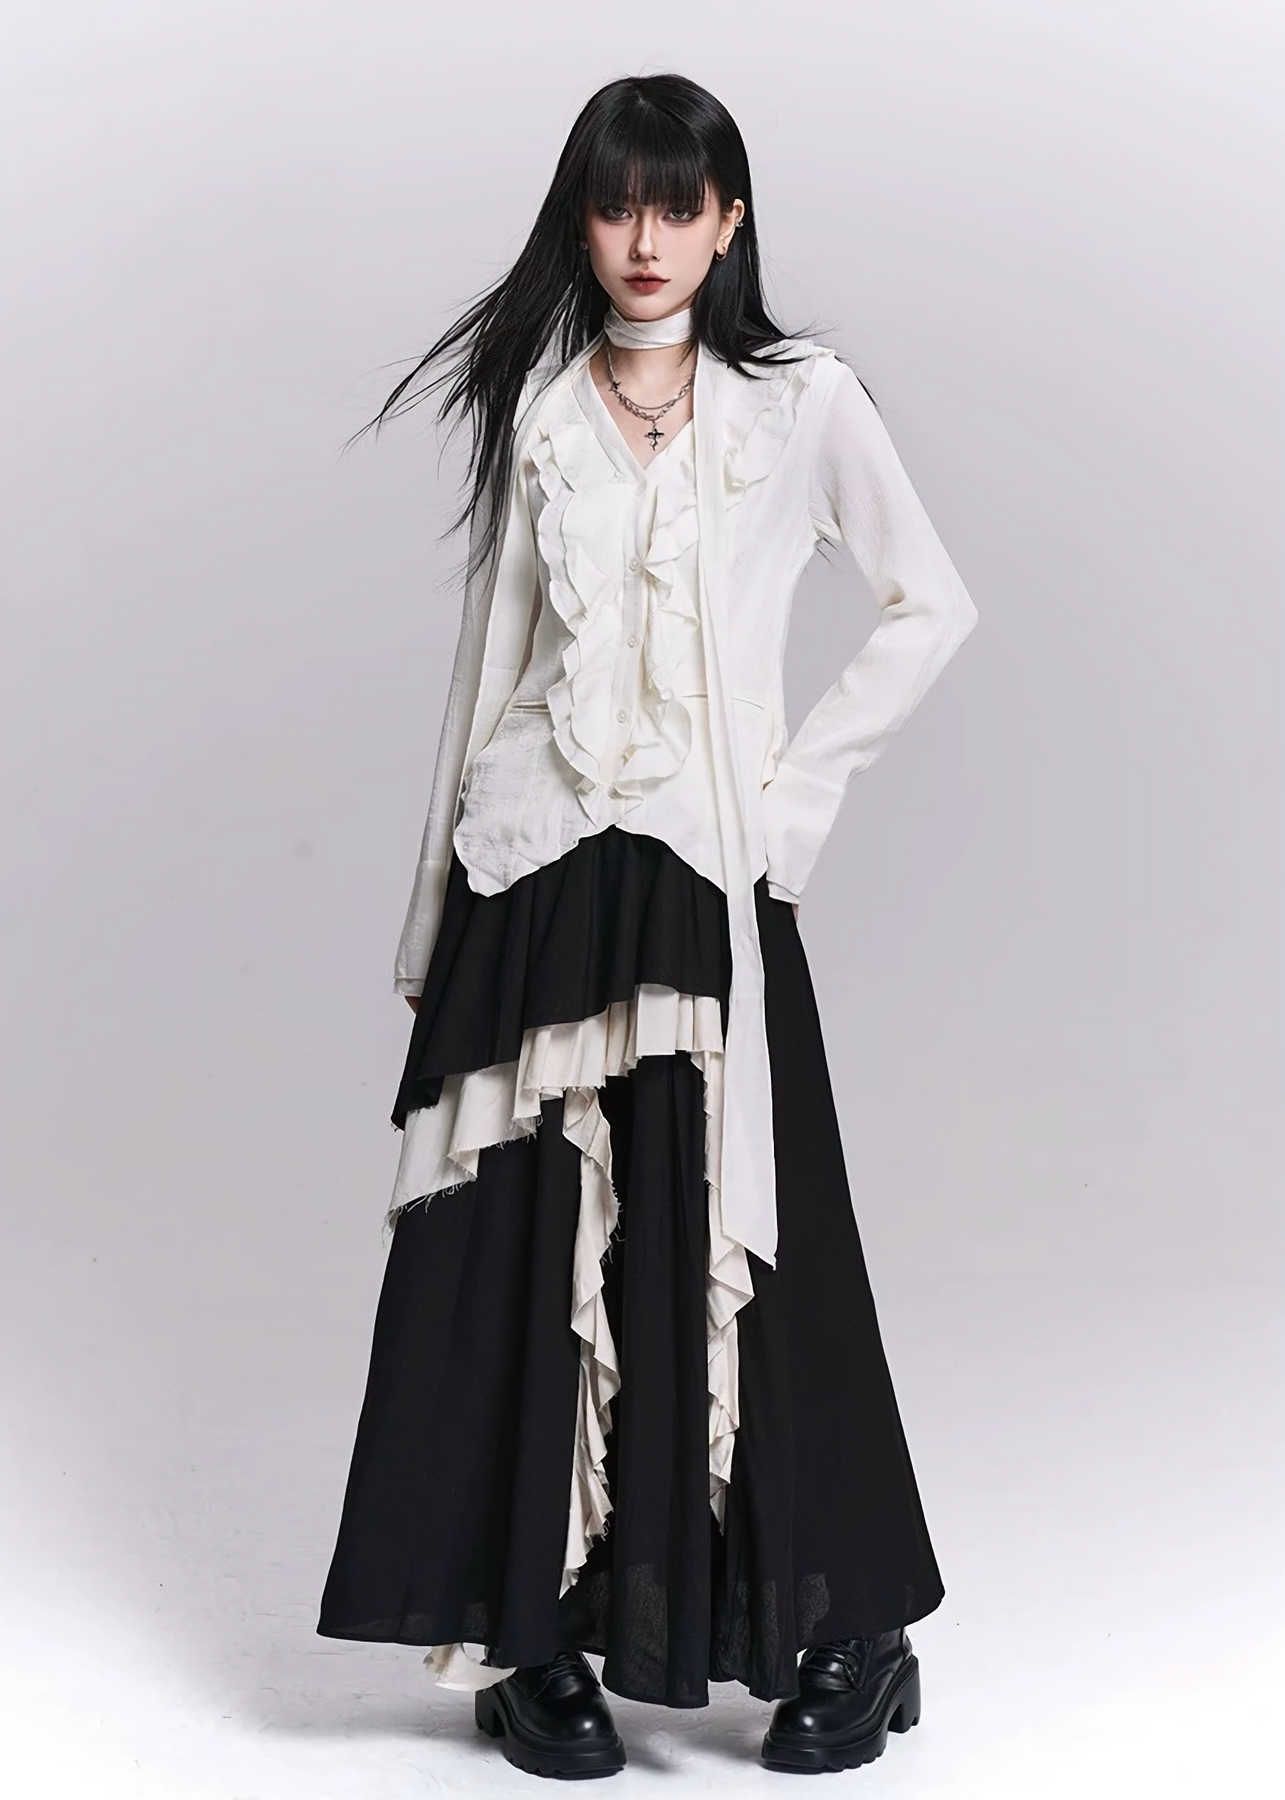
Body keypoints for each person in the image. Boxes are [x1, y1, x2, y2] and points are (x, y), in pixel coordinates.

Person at [316, 70, 978, 1781]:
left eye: (678, 206)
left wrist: (792, 800)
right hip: (537, 879)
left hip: (705, 875)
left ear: (729, 221)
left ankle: (856, 1629)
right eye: (617, 205)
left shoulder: (800, 404)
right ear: (583, 219)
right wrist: (433, 930)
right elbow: (487, 677)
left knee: (754, 1249)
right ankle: (529, 1640)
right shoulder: (543, 410)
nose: (644, 240)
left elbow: (929, 603)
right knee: (530, 1259)